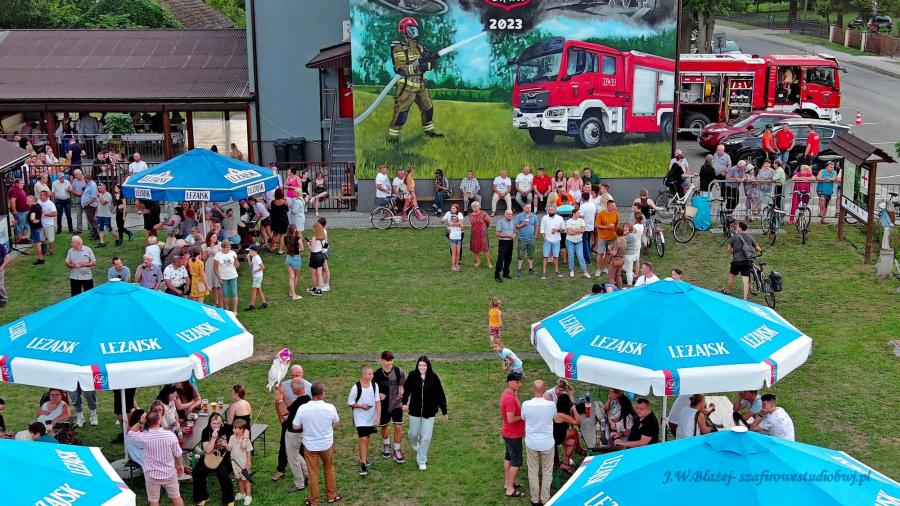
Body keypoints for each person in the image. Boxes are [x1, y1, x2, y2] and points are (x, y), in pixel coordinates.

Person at [292, 382, 342, 505]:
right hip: (326, 445)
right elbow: (336, 423)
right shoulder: (330, 407)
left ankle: (314, 501)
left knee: (313, 473)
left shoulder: (303, 408)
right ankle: (331, 496)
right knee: (329, 469)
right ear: (322, 394)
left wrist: (305, 425)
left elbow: (295, 426)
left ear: (312, 393)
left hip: (310, 446)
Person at [127, 411, 185, 506]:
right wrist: (180, 465)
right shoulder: (170, 435)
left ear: (147, 422)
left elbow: (130, 432)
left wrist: (141, 422)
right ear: (159, 421)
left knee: (153, 500)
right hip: (169, 472)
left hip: (151, 474)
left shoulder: (144, 437)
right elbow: (178, 453)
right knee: (176, 496)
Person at [402, 356, 448, 471]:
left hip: (429, 412)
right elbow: (406, 390)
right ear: (417, 365)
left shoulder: (433, 377)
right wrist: (404, 403)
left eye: (424, 365)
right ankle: (414, 442)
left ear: (428, 366)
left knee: (426, 437)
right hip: (415, 411)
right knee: (414, 434)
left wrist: (444, 411)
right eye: (420, 365)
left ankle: (421, 460)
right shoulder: (412, 375)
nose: (422, 367)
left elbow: (440, 394)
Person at [274, 374, 311, 493]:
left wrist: (279, 401)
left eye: (291, 386)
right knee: (296, 455)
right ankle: (309, 476)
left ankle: (299, 484)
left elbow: (284, 412)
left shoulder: (300, 403)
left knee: (293, 459)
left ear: (296, 388)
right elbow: (291, 406)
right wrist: (282, 393)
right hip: (301, 433)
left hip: (294, 434)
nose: (290, 388)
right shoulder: (305, 399)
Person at [521, 380, 556, 506]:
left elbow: (523, 418)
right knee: (547, 472)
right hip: (547, 443)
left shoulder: (526, 404)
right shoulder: (551, 405)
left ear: (532, 389)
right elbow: (553, 417)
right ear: (545, 390)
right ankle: (545, 499)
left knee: (533, 471)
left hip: (532, 442)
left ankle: (535, 500)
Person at [192, 412, 236, 506]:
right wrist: (213, 438)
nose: (216, 425)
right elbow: (207, 450)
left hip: (224, 456)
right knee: (197, 472)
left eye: (218, 423)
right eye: (214, 423)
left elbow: (237, 436)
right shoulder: (206, 431)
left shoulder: (227, 429)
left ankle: (229, 499)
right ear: (210, 423)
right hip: (209, 456)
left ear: (222, 423)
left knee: (223, 473)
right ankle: (202, 497)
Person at [348, 365, 381, 477]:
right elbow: (350, 402)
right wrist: (361, 406)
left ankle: (363, 457)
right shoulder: (356, 387)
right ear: (363, 375)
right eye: (370, 373)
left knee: (367, 437)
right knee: (363, 438)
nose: (372, 375)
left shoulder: (374, 385)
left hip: (371, 417)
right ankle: (363, 464)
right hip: (360, 417)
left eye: (372, 373)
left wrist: (378, 418)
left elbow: (378, 402)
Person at [373, 351, 406, 463]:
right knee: (384, 427)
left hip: (396, 404)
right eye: (387, 361)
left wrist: (401, 392)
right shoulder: (377, 374)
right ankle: (386, 446)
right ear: (382, 360)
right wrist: (378, 394)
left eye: (391, 360)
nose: (389, 363)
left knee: (398, 427)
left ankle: (397, 451)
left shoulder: (398, 371)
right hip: (383, 406)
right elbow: (372, 390)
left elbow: (402, 386)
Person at [498, 371, 525, 499]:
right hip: (513, 435)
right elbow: (510, 419)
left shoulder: (509, 393)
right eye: (517, 382)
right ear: (510, 383)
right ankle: (510, 489)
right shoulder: (509, 398)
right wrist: (524, 416)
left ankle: (507, 483)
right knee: (516, 461)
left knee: (508, 457)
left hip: (508, 433)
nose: (520, 384)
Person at [723, 221, 760, 300]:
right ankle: (745, 298)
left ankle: (728, 290)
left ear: (740, 228)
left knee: (731, 275)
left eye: (737, 227)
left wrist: (734, 251)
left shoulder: (734, 237)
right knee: (746, 279)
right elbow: (758, 249)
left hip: (736, 261)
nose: (736, 228)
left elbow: (729, 249)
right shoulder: (750, 237)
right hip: (747, 261)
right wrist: (752, 251)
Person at [228, 419, 254, 505]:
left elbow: (248, 452)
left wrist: (248, 463)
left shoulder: (245, 440)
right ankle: (242, 493)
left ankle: (248, 496)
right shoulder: (232, 437)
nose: (233, 430)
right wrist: (225, 445)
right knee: (239, 479)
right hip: (235, 463)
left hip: (243, 464)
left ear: (242, 429)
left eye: (236, 428)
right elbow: (229, 449)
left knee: (246, 480)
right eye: (233, 428)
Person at [594, 200, 619, 277]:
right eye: (612, 206)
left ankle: (605, 267)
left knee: (608, 253)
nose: (614, 207)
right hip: (602, 237)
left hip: (612, 237)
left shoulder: (616, 213)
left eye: (614, 206)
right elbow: (596, 225)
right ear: (608, 206)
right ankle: (598, 269)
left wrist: (617, 233)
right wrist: (607, 227)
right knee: (600, 253)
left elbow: (617, 224)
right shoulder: (601, 214)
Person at [540, 205, 565, 279]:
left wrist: (557, 230)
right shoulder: (544, 218)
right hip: (547, 240)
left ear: (555, 210)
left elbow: (563, 229)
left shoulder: (560, 218)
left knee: (556, 256)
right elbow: (542, 228)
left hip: (556, 240)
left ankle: (556, 271)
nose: (550, 211)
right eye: (549, 210)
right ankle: (544, 272)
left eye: (551, 210)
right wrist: (544, 238)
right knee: (545, 256)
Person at [215, 241, 240, 311]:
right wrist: (219, 278)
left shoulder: (233, 253)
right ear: (222, 248)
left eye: (229, 247)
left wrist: (236, 260)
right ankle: (227, 309)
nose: (228, 249)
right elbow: (215, 268)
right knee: (225, 294)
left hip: (233, 275)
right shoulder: (218, 255)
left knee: (234, 292)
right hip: (223, 277)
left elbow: (237, 266)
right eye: (227, 247)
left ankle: (235, 310)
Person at [565, 209, 590, 278]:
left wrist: (574, 230)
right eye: (578, 213)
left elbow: (583, 230)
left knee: (580, 256)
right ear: (574, 213)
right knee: (571, 256)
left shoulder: (581, 220)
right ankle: (571, 270)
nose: (579, 214)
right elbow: (569, 232)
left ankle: (585, 272)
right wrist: (579, 231)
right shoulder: (569, 221)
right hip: (570, 241)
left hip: (579, 241)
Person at [514, 203, 537, 277]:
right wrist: (523, 224)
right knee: (520, 255)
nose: (529, 209)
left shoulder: (534, 216)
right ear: (523, 208)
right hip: (522, 239)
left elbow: (536, 227)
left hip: (531, 239)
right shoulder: (519, 216)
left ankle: (531, 269)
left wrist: (535, 236)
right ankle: (519, 270)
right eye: (527, 208)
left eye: (530, 207)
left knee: (531, 255)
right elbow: (516, 226)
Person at [468, 202, 492, 268]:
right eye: (474, 206)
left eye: (477, 206)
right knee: (475, 248)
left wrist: (485, 228)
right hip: (474, 234)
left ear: (479, 207)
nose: (475, 208)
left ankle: (488, 263)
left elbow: (488, 222)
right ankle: (478, 261)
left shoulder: (483, 213)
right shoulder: (470, 215)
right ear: (472, 208)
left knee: (485, 248)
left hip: (483, 234)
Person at [285, 224, 305, 300]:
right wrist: (300, 239)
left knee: (291, 277)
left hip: (288, 258)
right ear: (295, 230)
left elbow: (288, 247)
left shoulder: (285, 238)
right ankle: (293, 294)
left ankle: (292, 293)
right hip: (296, 259)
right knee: (296, 276)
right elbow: (302, 249)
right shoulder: (298, 238)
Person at [494, 209, 515, 282]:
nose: (510, 215)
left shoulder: (512, 221)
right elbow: (497, 234)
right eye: (508, 214)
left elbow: (514, 231)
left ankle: (506, 273)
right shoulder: (500, 221)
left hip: (510, 242)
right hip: (503, 242)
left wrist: (514, 235)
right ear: (505, 214)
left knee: (508, 258)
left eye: (511, 214)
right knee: (501, 259)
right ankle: (497, 275)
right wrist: (508, 236)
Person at [307, 222, 326, 296]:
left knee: (313, 274)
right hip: (321, 255)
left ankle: (314, 288)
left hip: (314, 257)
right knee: (319, 274)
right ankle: (319, 290)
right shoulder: (323, 237)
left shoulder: (314, 238)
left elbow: (312, 249)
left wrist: (309, 245)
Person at [26, 195, 46, 265]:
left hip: (35, 228)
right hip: (38, 227)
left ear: (32, 200)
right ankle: (41, 257)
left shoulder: (33, 207)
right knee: (39, 243)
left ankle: (41, 259)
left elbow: (32, 218)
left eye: (28, 201)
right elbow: (43, 212)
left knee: (37, 244)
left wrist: (34, 221)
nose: (26, 203)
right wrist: (40, 220)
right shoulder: (38, 205)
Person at [38, 190, 57, 255]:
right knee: (41, 239)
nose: (40, 196)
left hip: (49, 225)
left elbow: (55, 214)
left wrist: (45, 214)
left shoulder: (50, 204)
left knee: (50, 239)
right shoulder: (39, 201)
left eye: (41, 195)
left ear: (46, 196)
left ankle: (50, 251)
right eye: (40, 195)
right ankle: (43, 251)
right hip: (41, 224)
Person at [270, 188, 289, 254]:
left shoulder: (272, 202)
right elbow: (287, 210)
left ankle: (272, 247)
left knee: (274, 234)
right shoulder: (285, 201)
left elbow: (272, 210)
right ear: (282, 194)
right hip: (283, 220)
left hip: (275, 220)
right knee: (282, 235)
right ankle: (280, 250)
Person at [80, 174, 99, 240]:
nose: (84, 180)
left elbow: (94, 196)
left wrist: (88, 203)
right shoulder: (89, 185)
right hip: (89, 205)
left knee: (92, 220)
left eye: (84, 179)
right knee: (90, 220)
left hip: (91, 206)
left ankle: (97, 234)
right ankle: (94, 233)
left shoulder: (92, 185)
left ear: (86, 179)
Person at [0, 242, 10, 307]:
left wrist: (1, 267)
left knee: (0, 285)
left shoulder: (1, 246)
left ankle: (3, 299)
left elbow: (8, 257)